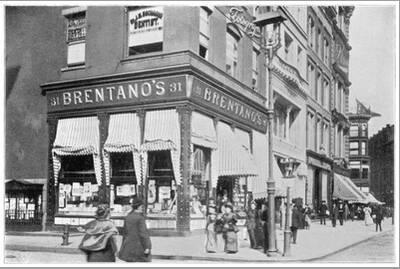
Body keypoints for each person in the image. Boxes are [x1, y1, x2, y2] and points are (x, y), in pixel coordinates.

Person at [119, 197, 152, 262]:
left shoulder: (128, 217)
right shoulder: (140, 218)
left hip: (127, 247)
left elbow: (125, 233)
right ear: (139, 206)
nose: (143, 208)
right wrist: (147, 247)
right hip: (139, 248)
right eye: (142, 206)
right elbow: (143, 234)